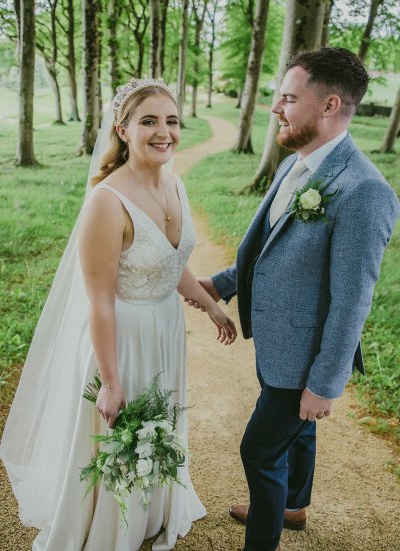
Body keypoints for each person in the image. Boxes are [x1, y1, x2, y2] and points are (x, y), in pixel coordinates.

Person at [0, 78, 237, 551]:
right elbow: (100, 301)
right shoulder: (107, 203)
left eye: (171, 120)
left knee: (159, 422)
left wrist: (210, 304)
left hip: (165, 328)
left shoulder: (175, 183)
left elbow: (170, 261)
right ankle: (110, 525)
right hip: (121, 337)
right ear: (122, 129)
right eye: (148, 121)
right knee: (121, 427)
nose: (163, 131)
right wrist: (109, 381)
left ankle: (150, 508)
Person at [186, 47, 400, 551]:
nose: (275, 109)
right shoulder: (296, 162)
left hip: (306, 359)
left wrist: (325, 383)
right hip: (277, 345)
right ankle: (293, 505)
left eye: (287, 98)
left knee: (259, 450)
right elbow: (267, 248)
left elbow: (352, 300)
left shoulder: (364, 190)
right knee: (298, 434)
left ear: (328, 106)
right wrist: (220, 285)